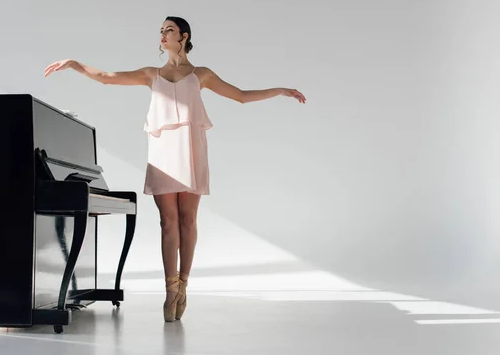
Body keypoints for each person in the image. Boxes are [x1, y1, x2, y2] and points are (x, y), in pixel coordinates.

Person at [44, 16, 306, 322]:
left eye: (169, 30)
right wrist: (74, 63)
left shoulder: (202, 74)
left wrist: (279, 90)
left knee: (187, 221)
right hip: (163, 152)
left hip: (192, 151)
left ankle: (184, 285)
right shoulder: (150, 74)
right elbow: (106, 77)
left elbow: (241, 96)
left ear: (184, 36)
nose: (162, 34)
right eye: (160, 30)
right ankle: (170, 290)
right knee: (167, 223)